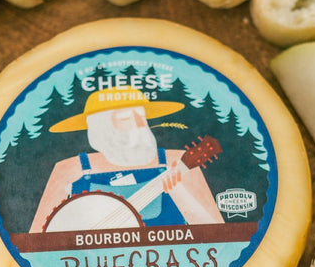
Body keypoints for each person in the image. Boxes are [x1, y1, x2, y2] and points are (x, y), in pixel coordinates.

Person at [29, 86, 223, 231]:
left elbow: (220, 234)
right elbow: (36, 239)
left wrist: (179, 192)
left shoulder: (177, 162)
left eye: (141, 117)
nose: (138, 126)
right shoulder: (72, 169)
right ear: (101, 129)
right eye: (124, 119)